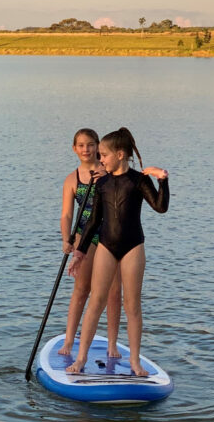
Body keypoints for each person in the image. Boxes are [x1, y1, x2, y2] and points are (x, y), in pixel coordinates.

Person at [66, 127, 169, 377]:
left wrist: (162, 179)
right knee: (96, 302)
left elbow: (160, 207)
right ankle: (81, 359)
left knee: (132, 305)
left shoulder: (138, 181)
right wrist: (79, 253)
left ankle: (135, 362)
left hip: (133, 246)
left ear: (120, 154)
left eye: (104, 155)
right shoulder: (101, 183)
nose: (100, 159)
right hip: (106, 246)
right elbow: (92, 222)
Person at [59, 128, 123, 357]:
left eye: (90, 145)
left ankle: (112, 344)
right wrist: (67, 238)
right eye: (81, 145)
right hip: (84, 236)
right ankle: (68, 340)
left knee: (114, 291)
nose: (86, 149)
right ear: (74, 149)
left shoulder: (110, 172)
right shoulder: (72, 179)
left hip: (110, 235)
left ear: (98, 146)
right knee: (81, 289)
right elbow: (67, 214)